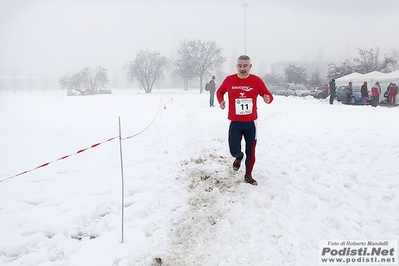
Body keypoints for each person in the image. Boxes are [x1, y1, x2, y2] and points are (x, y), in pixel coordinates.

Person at [216, 55, 273, 186]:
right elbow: (219, 92)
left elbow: (267, 94)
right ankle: (238, 156)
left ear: (250, 66)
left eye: (245, 66)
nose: (242, 68)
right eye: (240, 66)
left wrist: (267, 98)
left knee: (251, 151)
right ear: (236, 66)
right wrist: (221, 101)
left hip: (251, 123)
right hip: (235, 122)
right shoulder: (229, 80)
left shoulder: (256, 81)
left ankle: (248, 175)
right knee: (233, 150)